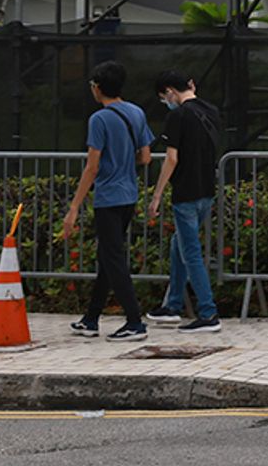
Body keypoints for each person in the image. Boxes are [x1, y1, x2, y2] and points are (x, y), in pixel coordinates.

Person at [62, 60, 152, 341]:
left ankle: (135, 322)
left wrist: (74, 206)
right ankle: (91, 319)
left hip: (108, 198)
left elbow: (92, 166)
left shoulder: (99, 119)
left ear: (97, 87)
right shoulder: (136, 112)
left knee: (113, 259)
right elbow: (146, 157)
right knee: (107, 257)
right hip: (129, 195)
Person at [144, 71, 223, 334]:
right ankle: (173, 305)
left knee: (190, 252)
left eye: (164, 97)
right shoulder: (210, 110)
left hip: (186, 192)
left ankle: (208, 312)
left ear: (169, 92)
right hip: (206, 190)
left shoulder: (177, 115)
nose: (165, 102)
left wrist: (157, 195)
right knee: (178, 244)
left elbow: (172, 159)